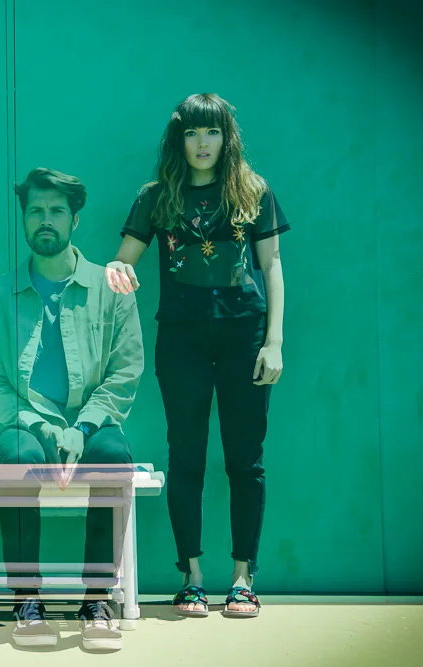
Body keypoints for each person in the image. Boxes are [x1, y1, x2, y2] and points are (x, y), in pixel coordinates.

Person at [105, 93, 289, 619]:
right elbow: (122, 261)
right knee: (186, 456)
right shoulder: (156, 196)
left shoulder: (253, 191)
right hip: (181, 339)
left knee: (245, 460)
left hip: (244, 336)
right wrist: (119, 272)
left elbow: (271, 266)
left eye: (211, 132)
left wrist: (274, 341)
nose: (202, 143)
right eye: (191, 132)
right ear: (178, 139)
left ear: (227, 137)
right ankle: (192, 578)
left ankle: (242, 578)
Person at [0, 168, 144, 650]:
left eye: (56, 211)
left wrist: (82, 427)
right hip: (24, 421)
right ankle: (27, 600)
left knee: (113, 458)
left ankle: (96, 600)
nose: (45, 220)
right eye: (35, 211)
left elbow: (125, 371)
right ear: (24, 219)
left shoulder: (111, 287)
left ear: (75, 220)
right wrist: (42, 425)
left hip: (92, 419)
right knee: (17, 458)